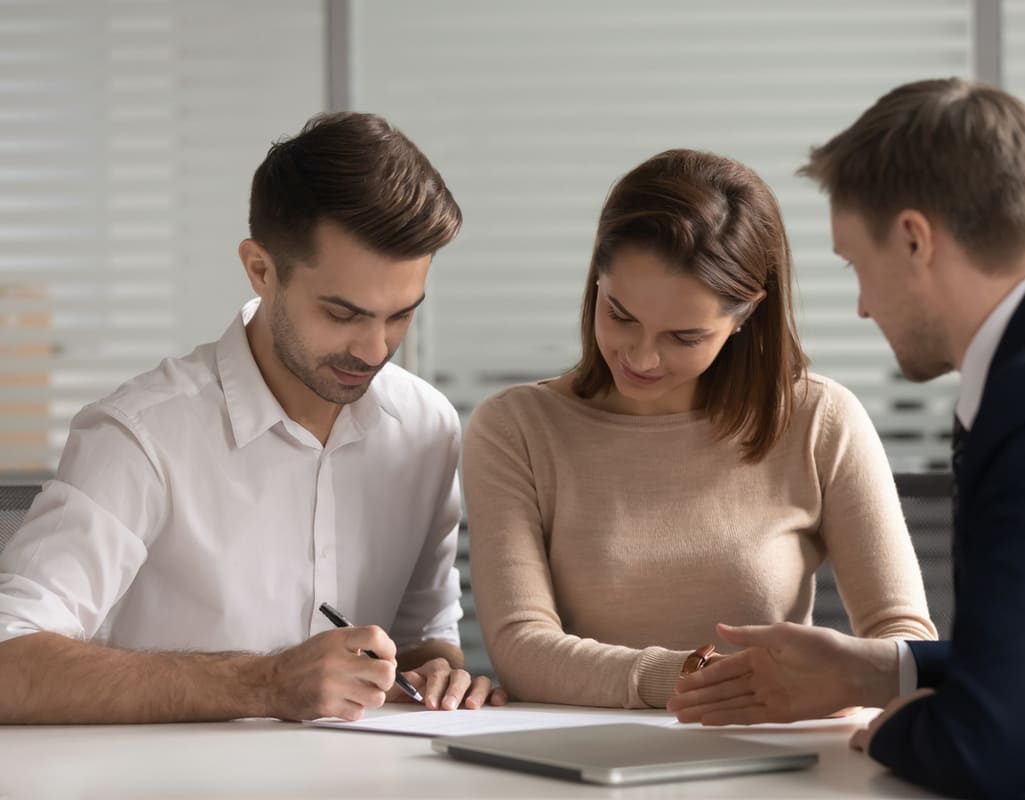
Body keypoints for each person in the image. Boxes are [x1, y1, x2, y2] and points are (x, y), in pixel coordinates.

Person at [670, 79, 1025, 799]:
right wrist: (880, 671)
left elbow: (997, 747)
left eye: (856, 263)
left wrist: (888, 725)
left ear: (915, 239)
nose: (861, 306)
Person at [0, 112, 504, 723]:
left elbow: (424, 633)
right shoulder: (141, 435)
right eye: (343, 314)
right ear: (261, 270)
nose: (374, 350)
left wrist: (439, 672)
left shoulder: (427, 426)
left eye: (400, 315)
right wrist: (263, 683)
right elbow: (10, 661)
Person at [462, 148, 936, 709]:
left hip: (771, 758)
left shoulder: (820, 419)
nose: (641, 356)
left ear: (745, 316)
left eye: (683, 337)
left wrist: (838, 686)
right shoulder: (515, 429)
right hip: (579, 762)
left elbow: (902, 638)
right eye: (621, 314)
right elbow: (522, 646)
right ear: (597, 274)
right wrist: (690, 679)